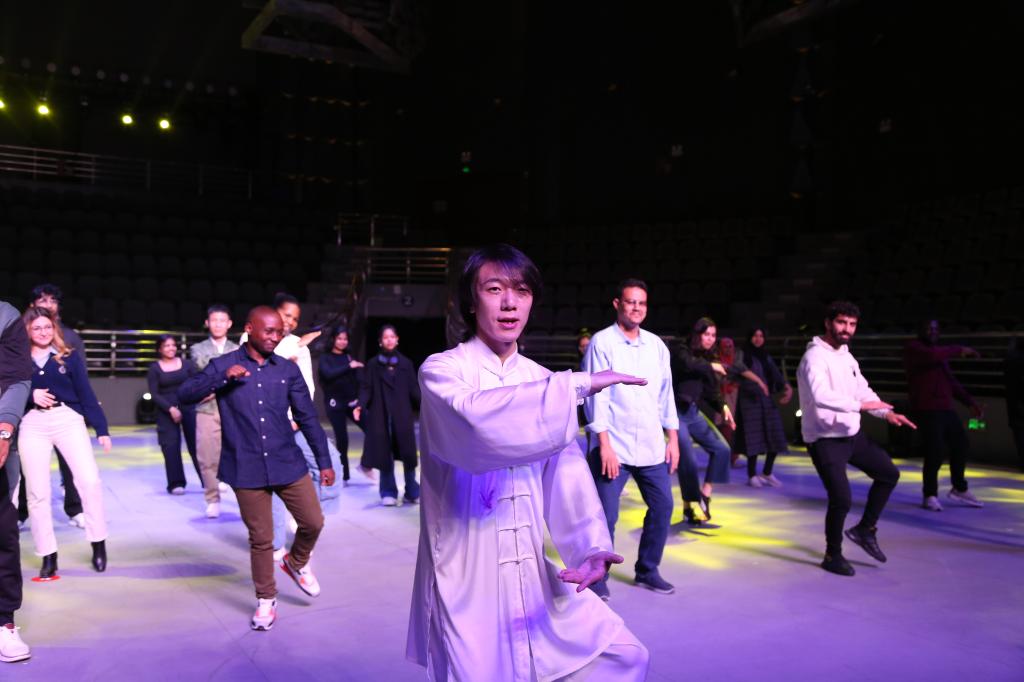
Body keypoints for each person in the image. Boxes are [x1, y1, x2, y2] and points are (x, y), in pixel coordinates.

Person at [408, 244, 650, 681]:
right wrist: (577, 386)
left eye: (521, 290)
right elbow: (478, 424)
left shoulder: (542, 380)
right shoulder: (442, 371)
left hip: (530, 567)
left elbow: (566, 474)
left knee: (624, 656)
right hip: (465, 571)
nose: (509, 302)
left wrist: (590, 546)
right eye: (494, 289)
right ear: (471, 301)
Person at [178, 306, 335, 631]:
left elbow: (307, 417)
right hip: (245, 465)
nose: (275, 338)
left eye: (280, 332)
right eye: (269, 331)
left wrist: (324, 461)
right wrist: (224, 377)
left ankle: (297, 561)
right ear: (249, 329)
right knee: (262, 539)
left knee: (313, 521)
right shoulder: (224, 364)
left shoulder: (287, 370)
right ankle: (266, 599)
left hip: (286, 461)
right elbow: (185, 394)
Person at [797, 301, 916, 577]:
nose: (847, 329)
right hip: (825, 439)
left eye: (852, 324)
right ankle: (832, 555)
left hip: (851, 434)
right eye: (841, 322)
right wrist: (859, 406)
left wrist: (886, 413)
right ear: (828, 323)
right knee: (841, 499)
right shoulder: (814, 357)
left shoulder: (847, 357)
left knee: (888, 474)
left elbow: (862, 390)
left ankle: (865, 529)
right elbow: (821, 396)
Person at [583, 277, 679, 597]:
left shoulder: (656, 346)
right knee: (605, 517)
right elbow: (596, 396)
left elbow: (666, 395)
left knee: (663, 507)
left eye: (641, 303)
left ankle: (647, 570)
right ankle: (597, 578)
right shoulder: (602, 342)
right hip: (615, 447)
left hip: (651, 445)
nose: (636, 308)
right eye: (630, 302)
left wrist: (673, 439)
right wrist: (604, 445)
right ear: (617, 304)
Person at [242, 293, 343, 560]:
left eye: (295, 318)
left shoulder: (301, 346)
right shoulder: (251, 338)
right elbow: (256, 372)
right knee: (274, 479)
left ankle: (305, 517)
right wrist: (290, 353)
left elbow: (307, 387)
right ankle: (276, 542)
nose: (290, 321)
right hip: (265, 423)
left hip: (294, 422)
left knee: (330, 462)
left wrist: (298, 418)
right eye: (286, 315)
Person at [18, 307, 111, 578]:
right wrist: (30, 395)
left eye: (47, 327)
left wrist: (101, 428)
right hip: (32, 424)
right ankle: (48, 555)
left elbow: (86, 393)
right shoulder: (16, 359)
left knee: (90, 481)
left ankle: (98, 542)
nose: (43, 332)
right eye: (37, 328)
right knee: (37, 493)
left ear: (54, 328)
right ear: (27, 331)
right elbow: (6, 392)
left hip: (67, 420)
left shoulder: (68, 357)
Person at [672, 317, 766, 524]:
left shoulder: (708, 359)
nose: (710, 339)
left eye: (713, 335)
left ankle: (705, 495)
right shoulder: (681, 350)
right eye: (706, 334)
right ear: (697, 334)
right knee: (687, 458)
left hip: (692, 412)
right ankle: (690, 505)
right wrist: (711, 366)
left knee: (722, 449)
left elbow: (711, 391)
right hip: (675, 413)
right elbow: (688, 365)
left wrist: (723, 407)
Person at [903, 320, 984, 511]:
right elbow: (931, 356)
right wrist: (959, 349)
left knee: (961, 444)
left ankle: (959, 487)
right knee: (935, 451)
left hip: (945, 408)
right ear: (920, 330)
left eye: (935, 329)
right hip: (926, 409)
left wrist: (970, 403)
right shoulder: (914, 349)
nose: (932, 332)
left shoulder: (939, 354)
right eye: (928, 328)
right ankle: (929, 494)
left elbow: (951, 382)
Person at [26, 284, 85, 529]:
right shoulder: (21, 335)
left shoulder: (70, 337)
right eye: (42, 300)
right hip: (29, 413)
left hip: (66, 413)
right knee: (28, 467)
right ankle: (21, 512)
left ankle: (75, 508)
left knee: (70, 464)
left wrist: (81, 409)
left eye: (52, 300)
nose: (48, 304)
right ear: (32, 305)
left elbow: (81, 378)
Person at [0, 300, 32, 663]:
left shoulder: (5, 316)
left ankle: (3, 622)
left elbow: (16, 378)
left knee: (2, 533)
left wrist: (4, 429)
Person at [356, 325, 420, 506]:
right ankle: (388, 491)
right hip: (381, 415)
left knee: (408, 456)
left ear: (397, 339)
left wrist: (427, 405)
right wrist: (360, 404)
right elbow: (366, 388)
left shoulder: (406, 364)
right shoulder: (373, 364)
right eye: (386, 337)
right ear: (380, 341)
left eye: (392, 336)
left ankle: (412, 491)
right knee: (385, 455)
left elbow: (414, 389)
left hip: (402, 415)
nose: (389, 340)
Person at [189, 304, 239, 519]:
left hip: (234, 409)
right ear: (207, 323)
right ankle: (212, 498)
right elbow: (204, 370)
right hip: (206, 409)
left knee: (239, 455)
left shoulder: (237, 349)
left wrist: (216, 386)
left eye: (222, 320)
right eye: (214, 320)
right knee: (206, 456)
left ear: (229, 324)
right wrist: (225, 379)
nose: (218, 324)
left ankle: (244, 498)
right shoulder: (198, 349)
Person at [735, 327, 793, 488]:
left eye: (761, 336)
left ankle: (767, 472)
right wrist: (759, 381)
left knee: (775, 434)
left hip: (765, 400)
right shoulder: (743, 353)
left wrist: (787, 387)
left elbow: (776, 374)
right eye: (755, 335)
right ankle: (752, 474)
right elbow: (739, 367)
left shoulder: (765, 356)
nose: (758, 338)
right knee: (753, 438)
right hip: (749, 400)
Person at [147, 334, 200, 495]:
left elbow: (196, 383)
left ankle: (209, 481)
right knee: (170, 446)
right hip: (166, 410)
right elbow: (154, 393)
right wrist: (170, 409)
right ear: (159, 349)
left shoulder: (187, 364)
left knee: (197, 445)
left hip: (189, 406)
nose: (171, 348)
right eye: (166, 346)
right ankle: (176, 483)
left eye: (173, 345)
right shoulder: (154, 368)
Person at [317, 324, 363, 485]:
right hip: (334, 404)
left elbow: (354, 381)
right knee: (342, 439)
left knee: (372, 428)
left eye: (345, 339)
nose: (343, 342)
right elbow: (328, 374)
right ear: (333, 339)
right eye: (339, 338)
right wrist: (349, 366)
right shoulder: (325, 358)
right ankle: (344, 475)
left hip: (351, 403)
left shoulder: (348, 356)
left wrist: (358, 398)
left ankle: (366, 465)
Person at [1006, 337, 1024, 471]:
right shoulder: (1014, 360)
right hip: (1017, 403)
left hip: (1015, 403)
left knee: (1019, 435)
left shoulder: (1010, 360)